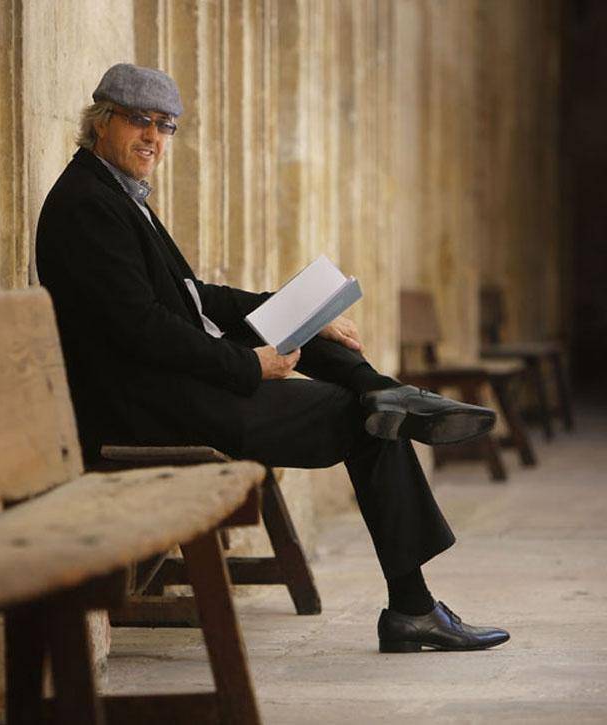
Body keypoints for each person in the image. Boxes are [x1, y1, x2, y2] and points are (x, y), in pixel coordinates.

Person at [35, 62, 509, 653]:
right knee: (368, 424)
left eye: (166, 126)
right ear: (101, 122)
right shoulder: (88, 203)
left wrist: (289, 305)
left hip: (171, 385)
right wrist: (247, 367)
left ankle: (389, 392)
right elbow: (139, 328)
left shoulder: (116, 194)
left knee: (312, 332)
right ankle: (411, 604)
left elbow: (192, 296)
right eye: (139, 121)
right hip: (150, 404)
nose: (154, 138)